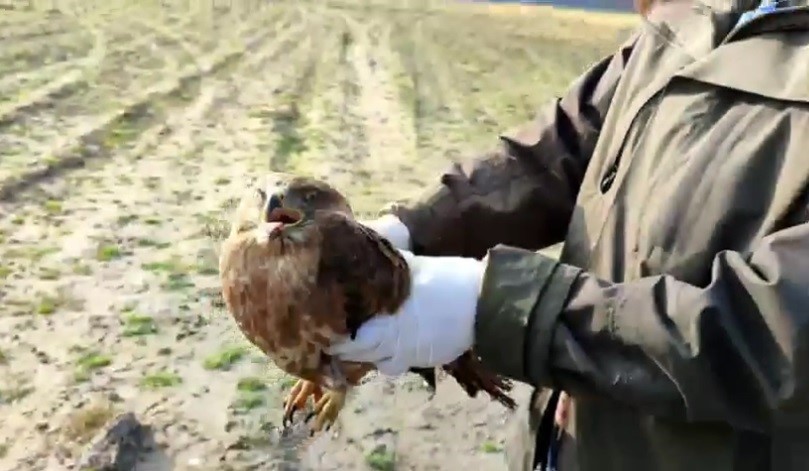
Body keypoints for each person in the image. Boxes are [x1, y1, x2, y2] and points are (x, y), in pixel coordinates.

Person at [327, 0, 809, 469]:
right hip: (566, 440)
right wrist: (407, 231)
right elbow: (561, 145)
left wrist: (499, 308)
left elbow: (772, 334)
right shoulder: (705, 11)